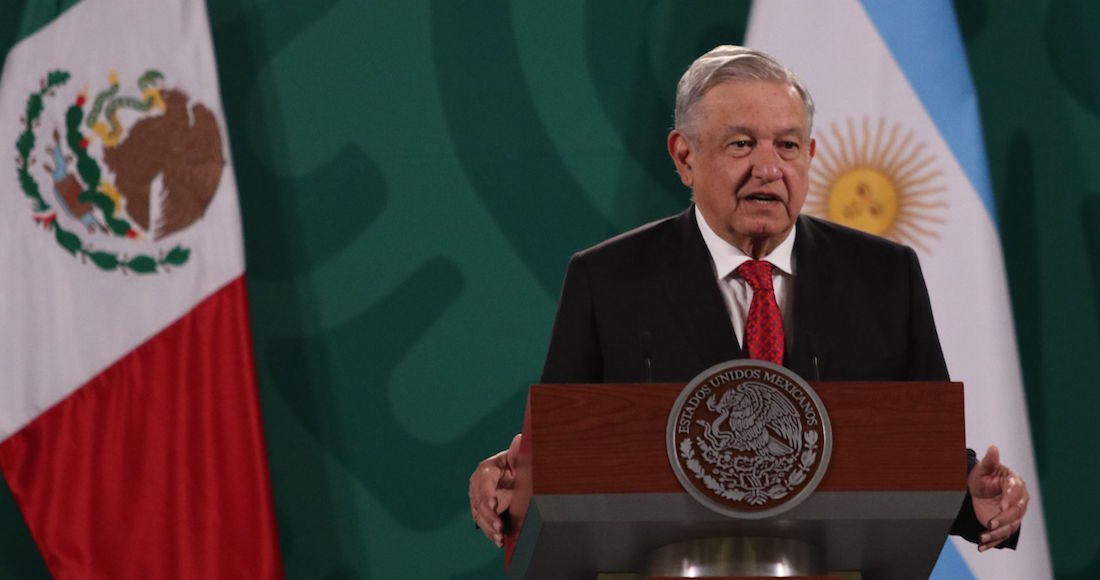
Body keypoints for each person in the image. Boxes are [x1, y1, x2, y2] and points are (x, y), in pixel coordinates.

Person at [469, 45, 1028, 554]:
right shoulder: (608, 279)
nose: (768, 168)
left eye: (787, 146)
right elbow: (559, 456)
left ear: (809, 155)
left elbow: (920, 447)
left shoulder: (884, 276)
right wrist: (514, 483)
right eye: (741, 144)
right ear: (684, 157)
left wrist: (974, 498)